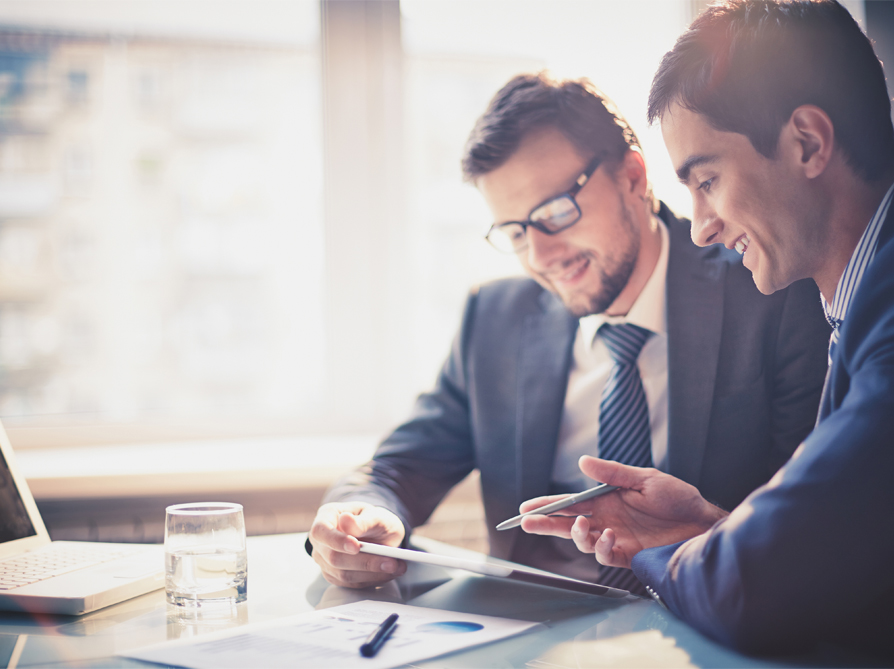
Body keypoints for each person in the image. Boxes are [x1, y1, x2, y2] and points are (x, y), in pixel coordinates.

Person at [307, 73, 830, 596]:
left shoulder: (769, 290)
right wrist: (359, 516)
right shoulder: (494, 318)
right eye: (514, 232)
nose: (539, 256)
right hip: (529, 635)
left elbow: (809, 526)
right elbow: (400, 466)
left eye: (555, 212)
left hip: (703, 620)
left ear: (632, 177)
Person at [520, 0, 894, 660]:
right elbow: (847, 557)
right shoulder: (855, 305)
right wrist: (713, 527)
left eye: (709, 180)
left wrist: (680, 549)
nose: (701, 227)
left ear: (808, 142)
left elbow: (749, 587)